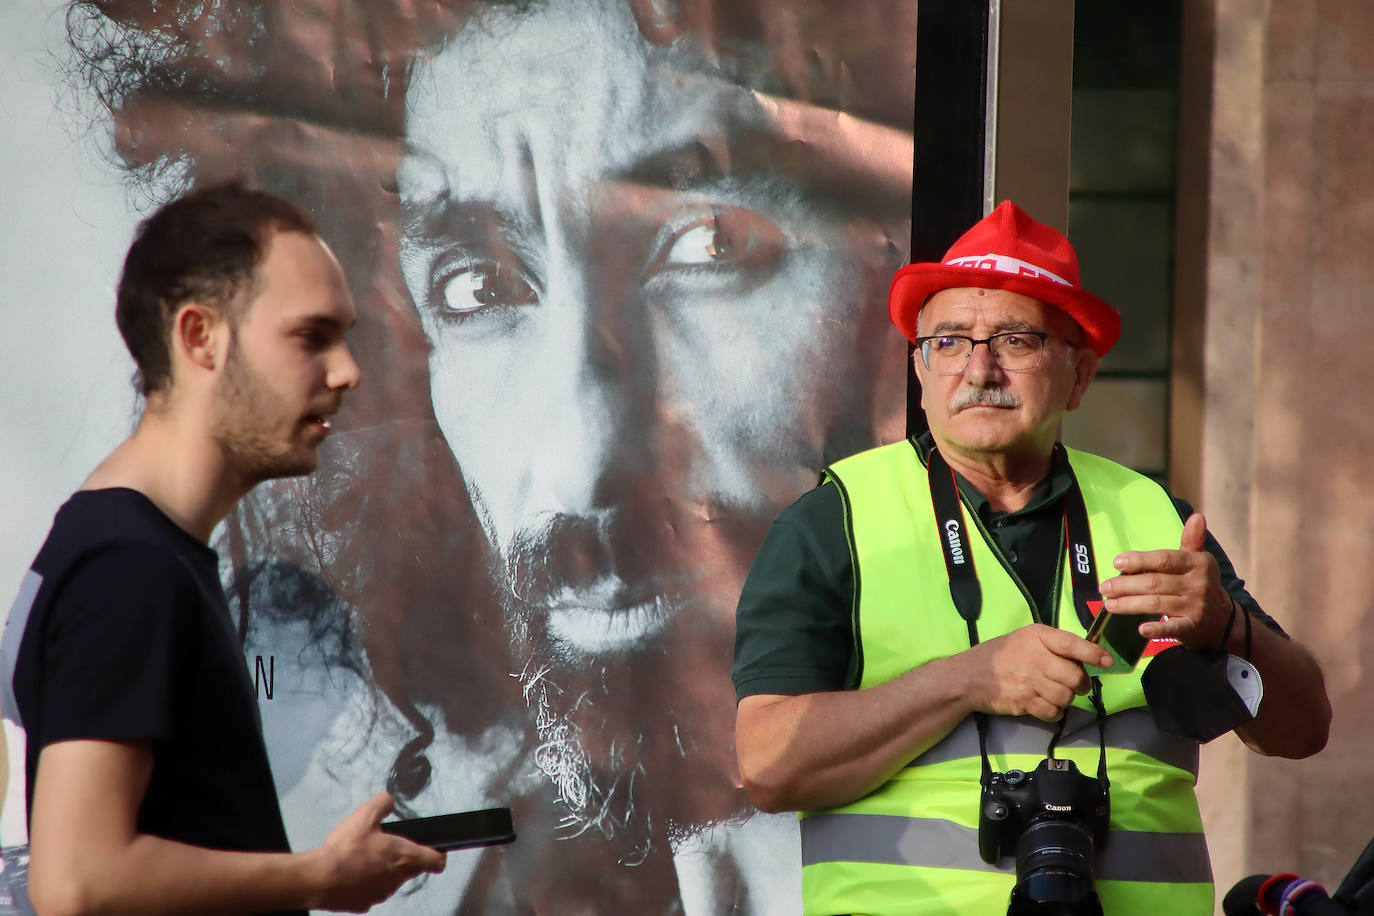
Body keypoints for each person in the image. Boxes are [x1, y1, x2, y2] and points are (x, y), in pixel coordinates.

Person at [59, 0, 915, 910]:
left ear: (890, 264)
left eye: (707, 243)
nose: (584, 459)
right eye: (478, 287)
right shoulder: (130, 566)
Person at [732, 200, 1332, 915]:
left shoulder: (1155, 517)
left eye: (1015, 340)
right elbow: (767, 764)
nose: (979, 369)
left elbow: (1304, 731)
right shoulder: (832, 522)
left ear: (1078, 374)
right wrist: (964, 682)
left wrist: (1227, 627)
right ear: (918, 373)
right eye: (949, 341)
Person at [0, 182, 446, 915]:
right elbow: (75, 882)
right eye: (310, 337)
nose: (347, 372)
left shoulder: (137, 552)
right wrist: (321, 877)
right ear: (199, 337)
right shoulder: (129, 569)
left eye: (345, 337)